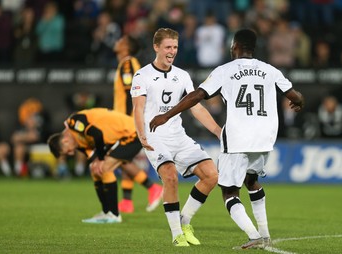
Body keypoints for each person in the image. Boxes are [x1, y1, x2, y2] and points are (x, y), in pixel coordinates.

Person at [150, 28, 305, 250]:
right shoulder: (270, 70)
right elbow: (294, 95)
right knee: (251, 181)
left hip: (238, 137)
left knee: (229, 192)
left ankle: (255, 235)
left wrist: (167, 114)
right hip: (265, 137)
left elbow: (197, 96)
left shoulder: (225, 70)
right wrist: (300, 102)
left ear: (235, 47)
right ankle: (265, 234)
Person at [131, 28, 220, 247]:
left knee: (211, 175)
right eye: (168, 47)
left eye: (175, 47)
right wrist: (141, 133)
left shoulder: (182, 76)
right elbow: (138, 108)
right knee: (170, 176)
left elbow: (196, 108)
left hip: (178, 135)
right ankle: (176, 234)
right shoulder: (142, 75)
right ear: (156, 47)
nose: (172, 52)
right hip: (154, 135)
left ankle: (185, 220)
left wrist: (218, 131)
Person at [47, 108, 147, 224]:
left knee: (105, 168)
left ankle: (114, 214)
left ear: (65, 141)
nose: (71, 153)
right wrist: (97, 161)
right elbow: (92, 157)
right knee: (94, 170)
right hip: (122, 137)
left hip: (133, 132)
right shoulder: (77, 143)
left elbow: (97, 134)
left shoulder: (74, 122)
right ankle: (106, 212)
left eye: (67, 151)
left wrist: (100, 159)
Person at [113, 35, 163, 213]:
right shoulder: (130, 63)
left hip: (127, 121)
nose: (117, 42)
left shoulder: (127, 63)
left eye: (120, 40)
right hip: (129, 120)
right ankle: (126, 201)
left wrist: (129, 120)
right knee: (125, 158)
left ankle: (152, 187)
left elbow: (131, 94)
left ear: (126, 46)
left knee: (116, 158)